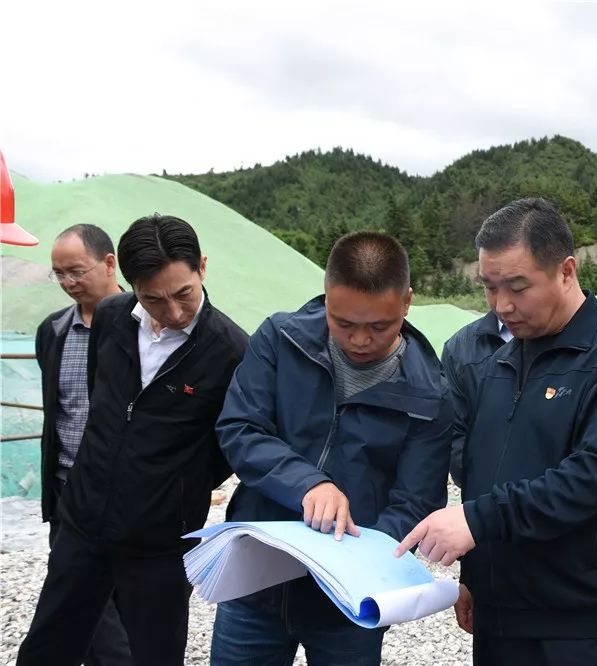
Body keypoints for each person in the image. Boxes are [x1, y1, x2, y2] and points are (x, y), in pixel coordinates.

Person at [396, 198, 597, 666]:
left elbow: (593, 478)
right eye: (490, 289)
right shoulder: (498, 361)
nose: (502, 306)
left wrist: (479, 521)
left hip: (573, 619)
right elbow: (479, 469)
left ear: (567, 270)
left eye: (517, 287)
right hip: (498, 612)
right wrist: (475, 573)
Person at [211, 231, 451, 665]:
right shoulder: (280, 340)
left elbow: (416, 500)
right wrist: (307, 485)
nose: (359, 340)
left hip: (348, 603)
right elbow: (240, 428)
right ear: (325, 298)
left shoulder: (430, 393)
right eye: (343, 322)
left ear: (407, 301)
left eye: (379, 326)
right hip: (255, 586)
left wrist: (359, 560)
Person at [18, 214, 248, 666]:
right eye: (154, 299)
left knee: (155, 655)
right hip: (83, 523)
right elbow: (103, 401)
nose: (175, 312)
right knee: (48, 645)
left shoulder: (230, 349)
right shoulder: (111, 318)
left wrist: (175, 489)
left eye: (184, 293)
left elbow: (225, 447)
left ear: (201, 267)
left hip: (160, 542)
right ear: (130, 284)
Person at [34, 224, 132, 665]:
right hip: (68, 493)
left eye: (76, 270)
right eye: (59, 274)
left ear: (109, 263)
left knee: (122, 608)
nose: (69, 282)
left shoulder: (143, 326)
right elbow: (59, 412)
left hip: (128, 495)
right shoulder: (53, 331)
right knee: (79, 606)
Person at [442, 306, 512, 487]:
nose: (503, 302)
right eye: (492, 288)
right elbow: (453, 433)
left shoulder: (581, 345)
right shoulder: (459, 348)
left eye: (517, 286)